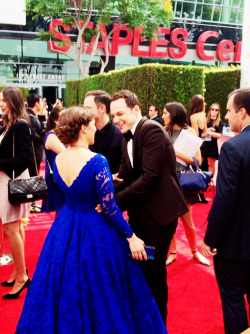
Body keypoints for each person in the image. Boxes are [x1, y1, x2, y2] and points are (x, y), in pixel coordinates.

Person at [16, 106, 168, 334]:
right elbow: (109, 207)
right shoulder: (97, 161)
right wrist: (131, 236)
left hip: (65, 225)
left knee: (63, 281)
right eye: (93, 124)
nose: (96, 128)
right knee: (102, 287)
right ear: (83, 127)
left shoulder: (59, 159)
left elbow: (76, 188)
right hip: (94, 228)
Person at [110, 90, 188, 323]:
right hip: (141, 213)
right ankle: (147, 321)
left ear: (136, 109)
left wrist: (112, 204)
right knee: (143, 269)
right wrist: (100, 190)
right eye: (114, 116)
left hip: (160, 215)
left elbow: (150, 177)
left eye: (120, 113)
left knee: (154, 272)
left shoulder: (151, 129)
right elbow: (124, 177)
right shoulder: (126, 139)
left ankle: (158, 324)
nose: (116, 120)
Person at [202, 88, 250, 334]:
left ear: (242, 112)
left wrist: (210, 239)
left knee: (233, 302)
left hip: (235, 245)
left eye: (230, 111)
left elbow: (225, 198)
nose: (227, 117)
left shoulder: (233, 148)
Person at [162, 102, 210, 266]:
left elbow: (197, 160)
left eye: (165, 113)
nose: (163, 116)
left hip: (183, 180)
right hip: (166, 180)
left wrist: (174, 151)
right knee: (169, 219)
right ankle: (173, 252)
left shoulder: (189, 132)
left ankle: (194, 251)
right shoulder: (163, 131)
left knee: (187, 219)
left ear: (173, 114)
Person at [0, 87, 33, 299]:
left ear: (12, 101)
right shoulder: (9, 124)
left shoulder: (20, 125)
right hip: (7, 179)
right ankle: (18, 272)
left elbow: (26, 159)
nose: (0, 103)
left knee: (11, 229)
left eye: (3, 100)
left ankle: (21, 277)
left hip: (12, 181)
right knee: (14, 228)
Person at [84, 90, 123, 173]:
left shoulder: (121, 135)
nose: (84, 112)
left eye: (88, 108)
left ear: (102, 108)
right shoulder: (83, 134)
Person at [41, 106, 66, 214]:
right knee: (61, 210)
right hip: (56, 178)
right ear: (56, 120)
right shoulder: (51, 136)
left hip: (63, 177)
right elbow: (66, 153)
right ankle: (58, 231)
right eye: (64, 117)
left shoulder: (61, 135)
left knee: (63, 211)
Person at [201, 103, 223, 175]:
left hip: (212, 146)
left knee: (211, 165)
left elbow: (219, 135)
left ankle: (209, 183)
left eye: (216, 110)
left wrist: (209, 133)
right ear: (210, 110)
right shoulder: (205, 120)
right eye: (212, 109)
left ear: (218, 112)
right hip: (203, 144)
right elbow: (200, 132)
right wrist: (207, 131)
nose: (214, 111)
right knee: (199, 162)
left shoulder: (219, 122)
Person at [26, 93, 45, 176]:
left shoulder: (32, 115)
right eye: (41, 102)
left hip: (35, 152)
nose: (42, 105)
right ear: (37, 104)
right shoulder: (30, 116)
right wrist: (44, 138)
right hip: (33, 153)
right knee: (33, 176)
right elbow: (33, 135)